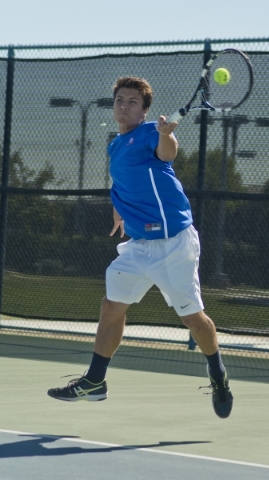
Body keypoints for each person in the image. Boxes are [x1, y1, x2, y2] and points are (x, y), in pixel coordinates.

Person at [48, 76, 233, 419]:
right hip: (138, 246)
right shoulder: (115, 145)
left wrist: (166, 134)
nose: (124, 105)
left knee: (192, 318)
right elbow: (122, 180)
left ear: (144, 109)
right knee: (111, 306)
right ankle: (95, 381)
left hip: (173, 245)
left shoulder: (151, 133)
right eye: (120, 99)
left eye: (133, 101)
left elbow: (167, 153)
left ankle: (218, 374)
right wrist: (119, 207)